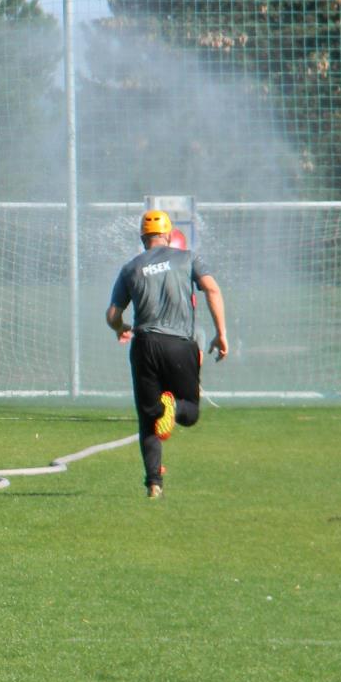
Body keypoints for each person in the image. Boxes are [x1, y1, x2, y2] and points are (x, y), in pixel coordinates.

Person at [106, 209, 228, 498]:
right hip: (179, 345)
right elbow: (211, 289)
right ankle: (171, 409)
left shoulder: (130, 268)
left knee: (148, 418)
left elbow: (113, 313)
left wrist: (120, 328)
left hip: (144, 344)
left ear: (142, 238)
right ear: (169, 235)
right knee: (190, 411)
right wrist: (221, 333)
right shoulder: (187, 258)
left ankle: (153, 484)